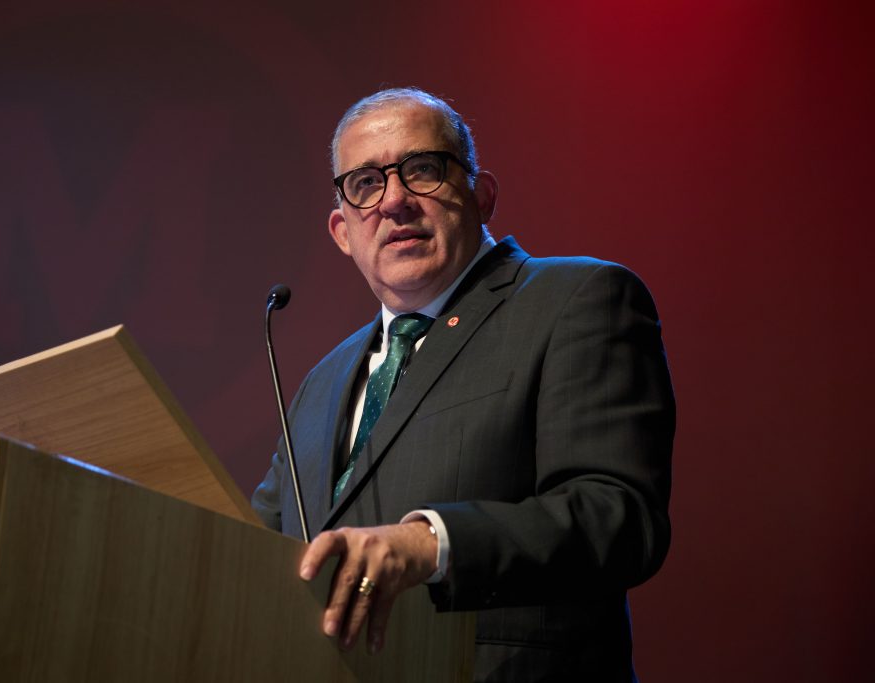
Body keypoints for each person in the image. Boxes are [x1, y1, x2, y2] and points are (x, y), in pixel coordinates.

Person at [251, 87, 675, 682]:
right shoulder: (323, 382)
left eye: (421, 170)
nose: (394, 200)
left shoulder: (576, 300)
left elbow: (619, 518)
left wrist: (430, 544)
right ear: (342, 230)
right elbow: (253, 549)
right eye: (366, 184)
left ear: (482, 195)